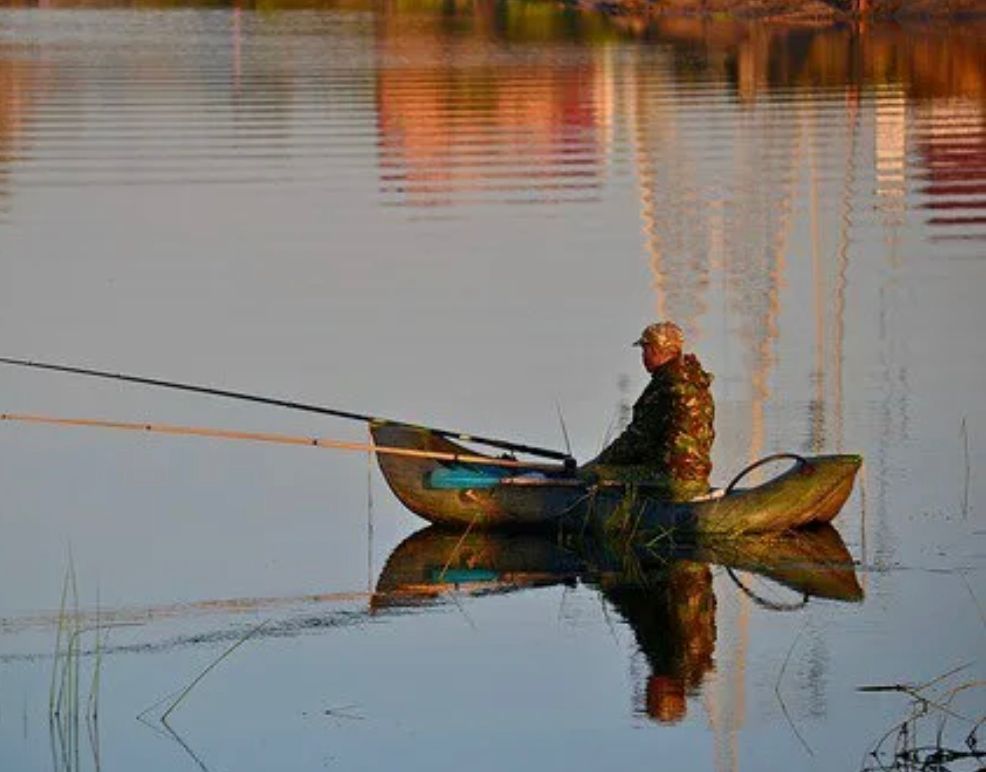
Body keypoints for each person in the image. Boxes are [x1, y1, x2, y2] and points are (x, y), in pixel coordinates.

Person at [583, 321, 715, 501]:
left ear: (655, 350)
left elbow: (636, 441)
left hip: (668, 480)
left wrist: (597, 464)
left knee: (594, 475)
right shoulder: (697, 383)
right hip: (698, 478)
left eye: (645, 350)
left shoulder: (666, 388)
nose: (643, 357)